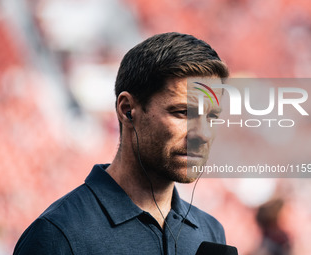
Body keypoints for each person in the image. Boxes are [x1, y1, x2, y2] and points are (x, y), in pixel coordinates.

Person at [14, 32, 229, 255]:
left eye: (212, 117)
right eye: (183, 113)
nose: (202, 134)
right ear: (127, 110)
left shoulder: (211, 232)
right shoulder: (58, 235)